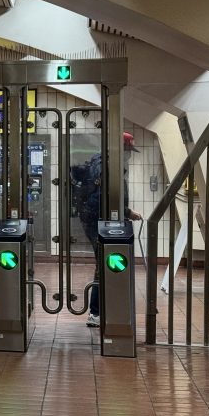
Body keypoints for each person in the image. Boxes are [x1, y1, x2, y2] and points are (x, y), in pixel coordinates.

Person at [72, 132, 142, 327]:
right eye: (128, 150)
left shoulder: (102, 161)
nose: (129, 154)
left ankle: (105, 309)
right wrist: (126, 212)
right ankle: (95, 312)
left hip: (99, 220)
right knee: (104, 264)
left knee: (106, 263)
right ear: (120, 148)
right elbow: (104, 197)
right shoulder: (106, 165)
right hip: (99, 221)